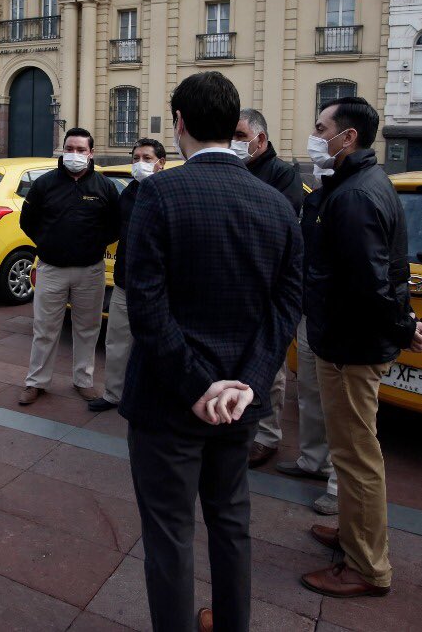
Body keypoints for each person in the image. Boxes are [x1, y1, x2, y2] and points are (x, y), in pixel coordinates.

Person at [121, 72, 303, 632]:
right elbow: (287, 305)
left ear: (179, 123)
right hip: (237, 402)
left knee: (169, 533)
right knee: (230, 522)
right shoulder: (276, 204)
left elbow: (144, 304)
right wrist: (249, 382)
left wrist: (199, 386)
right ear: (234, 128)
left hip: (169, 399)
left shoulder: (158, 193)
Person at [299, 96, 422, 599]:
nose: (315, 136)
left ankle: (366, 566)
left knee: (357, 457)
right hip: (345, 338)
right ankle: (353, 533)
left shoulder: (356, 194)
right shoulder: (351, 185)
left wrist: (402, 327)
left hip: (351, 345)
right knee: (350, 450)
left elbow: (370, 281)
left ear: (348, 137)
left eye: (322, 128)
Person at [18, 127, 120, 405]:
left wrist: (94, 244)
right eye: (70, 149)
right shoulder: (45, 184)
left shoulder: (104, 186)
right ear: (63, 150)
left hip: (90, 270)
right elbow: (27, 221)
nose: (74, 154)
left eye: (80, 150)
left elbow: (115, 225)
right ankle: (36, 382)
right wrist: (47, 242)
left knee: (87, 328)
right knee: (44, 329)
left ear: (91, 153)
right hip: (51, 269)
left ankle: (83, 380)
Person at [232, 108, 306, 469]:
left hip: (267, 285)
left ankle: (267, 436)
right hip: (236, 283)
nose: (234, 143)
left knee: (270, 367)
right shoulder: (235, 169)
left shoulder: (283, 176)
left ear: (260, 139)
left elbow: (276, 226)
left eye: (240, 136)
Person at [274, 181, 341, 517]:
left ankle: (340, 488)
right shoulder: (315, 199)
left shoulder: (358, 194)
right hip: (310, 308)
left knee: (343, 408)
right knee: (309, 391)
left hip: (340, 315)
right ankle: (313, 460)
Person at [87, 137, 166, 413]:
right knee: (117, 341)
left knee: (156, 345)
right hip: (124, 282)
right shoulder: (129, 193)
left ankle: (152, 399)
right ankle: (113, 394)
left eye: (146, 158)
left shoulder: (169, 192)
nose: (139, 163)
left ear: (160, 163)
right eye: (136, 158)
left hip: (157, 287)